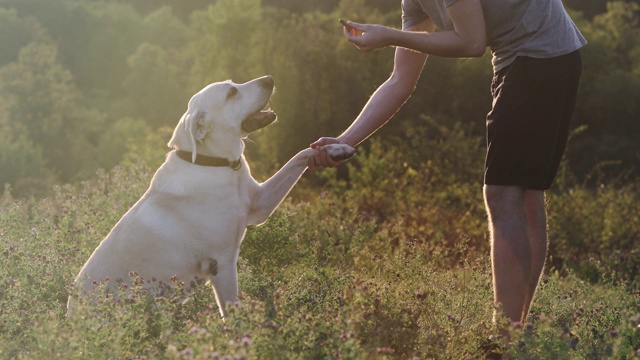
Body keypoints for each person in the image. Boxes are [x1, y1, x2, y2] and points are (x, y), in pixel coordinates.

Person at [309, 0, 586, 332]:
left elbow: (471, 43)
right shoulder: (414, 3)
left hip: (540, 56)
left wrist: (392, 36)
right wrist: (346, 139)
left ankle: (503, 339)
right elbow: (401, 80)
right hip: (529, 59)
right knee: (525, 194)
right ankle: (515, 332)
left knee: (503, 192)